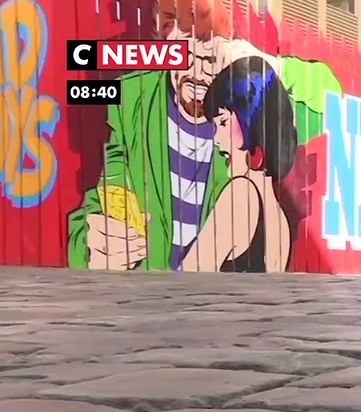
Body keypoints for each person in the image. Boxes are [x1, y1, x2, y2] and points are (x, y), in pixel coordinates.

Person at [66, 0, 340, 271]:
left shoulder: (242, 107)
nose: (199, 73)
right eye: (187, 57)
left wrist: (265, 63)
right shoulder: (131, 99)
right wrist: (90, 247)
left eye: (211, 59)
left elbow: (331, 98)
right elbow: (108, 191)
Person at [177, 57, 297, 272]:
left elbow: (189, 275)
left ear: (251, 119)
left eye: (223, 122)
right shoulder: (278, 217)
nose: (216, 140)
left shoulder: (240, 196)